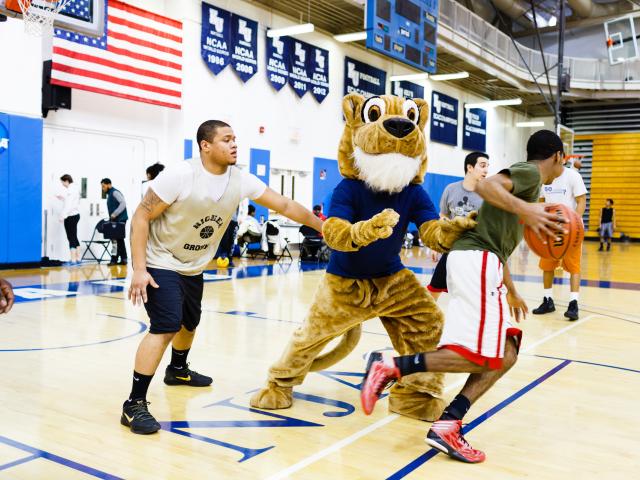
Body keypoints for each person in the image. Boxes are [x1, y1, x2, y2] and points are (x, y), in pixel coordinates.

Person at [361, 130, 566, 464]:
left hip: (485, 262)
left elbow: (497, 240)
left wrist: (511, 290)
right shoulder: (528, 173)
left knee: (508, 351)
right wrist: (527, 211)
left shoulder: (530, 187)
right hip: (476, 261)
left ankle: (449, 422)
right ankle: (390, 366)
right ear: (557, 156)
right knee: (482, 356)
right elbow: (485, 186)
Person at [122, 120, 323, 435]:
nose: (234, 145)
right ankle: (134, 404)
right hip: (159, 258)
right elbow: (141, 216)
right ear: (205, 145)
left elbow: (283, 204)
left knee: (190, 322)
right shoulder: (180, 176)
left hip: (193, 263)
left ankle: (178, 370)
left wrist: (323, 226)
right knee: (166, 325)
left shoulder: (240, 180)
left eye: (235, 139)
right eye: (226, 139)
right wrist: (138, 268)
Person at [428, 152, 489, 300]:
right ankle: (427, 321)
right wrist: (437, 245)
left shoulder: (487, 194)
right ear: (469, 167)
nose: (486, 170)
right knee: (434, 288)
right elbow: (443, 217)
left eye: (487, 166)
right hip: (452, 249)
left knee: (471, 295)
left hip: (474, 251)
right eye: (482, 166)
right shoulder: (451, 189)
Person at [532, 162, 587, 321]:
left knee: (573, 267)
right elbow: (541, 202)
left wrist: (572, 222)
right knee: (547, 266)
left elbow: (581, 201)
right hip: (551, 229)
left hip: (572, 230)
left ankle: (573, 303)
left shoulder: (573, 176)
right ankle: (548, 300)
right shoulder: (545, 178)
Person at [101, 178, 129, 266]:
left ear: (109, 184)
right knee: (117, 240)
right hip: (116, 220)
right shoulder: (110, 194)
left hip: (120, 219)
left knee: (116, 240)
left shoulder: (114, 192)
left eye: (104, 186)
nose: (103, 188)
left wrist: (114, 214)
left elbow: (123, 203)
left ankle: (115, 259)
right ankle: (122, 259)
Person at [57, 174, 81, 265]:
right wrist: (63, 198)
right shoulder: (75, 188)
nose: (62, 184)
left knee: (70, 237)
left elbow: (69, 205)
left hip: (71, 216)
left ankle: (73, 260)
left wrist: (62, 216)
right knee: (74, 236)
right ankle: (78, 258)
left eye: (62, 182)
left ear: (66, 181)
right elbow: (71, 202)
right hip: (75, 215)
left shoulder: (70, 190)